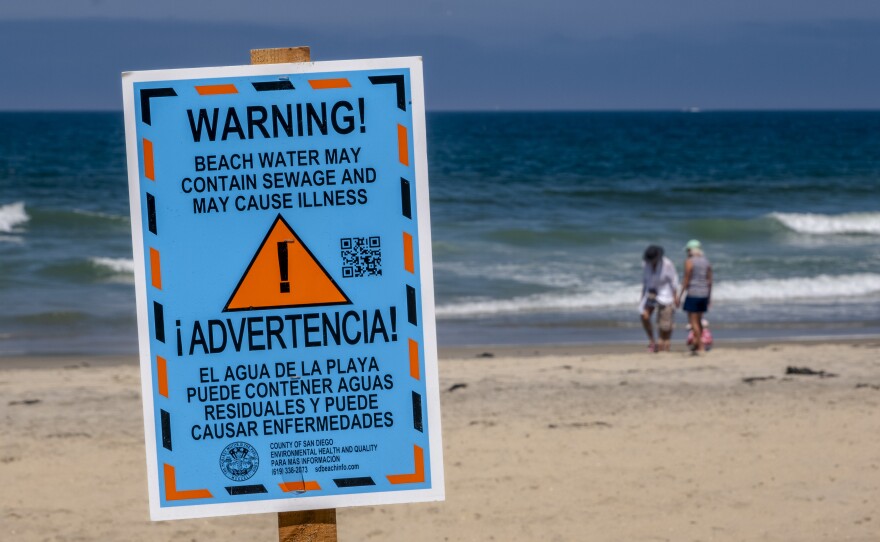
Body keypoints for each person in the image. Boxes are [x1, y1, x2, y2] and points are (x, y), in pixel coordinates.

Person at [640, 245, 679, 352]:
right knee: (644, 316)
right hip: (651, 292)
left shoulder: (667, 264)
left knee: (665, 321)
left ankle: (664, 343)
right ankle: (652, 341)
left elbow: (673, 281)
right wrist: (642, 297)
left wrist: (675, 296)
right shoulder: (646, 264)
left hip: (665, 293)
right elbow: (645, 281)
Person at [678, 239, 713, 354]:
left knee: (693, 322)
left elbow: (686, 280)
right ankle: (699, 343)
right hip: (704, 294)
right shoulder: (706, 261)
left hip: (693, 293)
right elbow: (710, 281)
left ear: (690, 250)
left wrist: (680, 295)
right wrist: (709, 297)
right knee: (699, 321)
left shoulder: (689, 261)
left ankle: (700, 345)